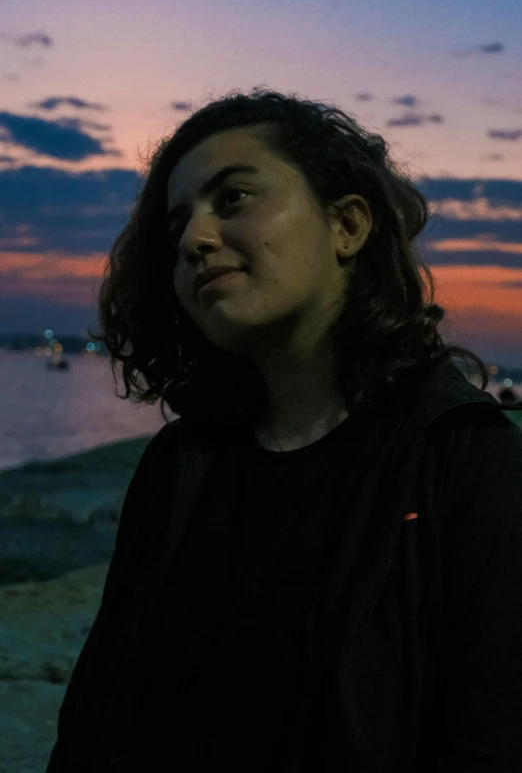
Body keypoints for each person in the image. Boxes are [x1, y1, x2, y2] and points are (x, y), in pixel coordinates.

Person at [46, 87, 522, 772]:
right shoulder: (178, 467)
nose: (195, 238)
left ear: (348, 226)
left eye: (232, 198)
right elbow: (95, 726)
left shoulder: (465, 462)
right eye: (177, 224)